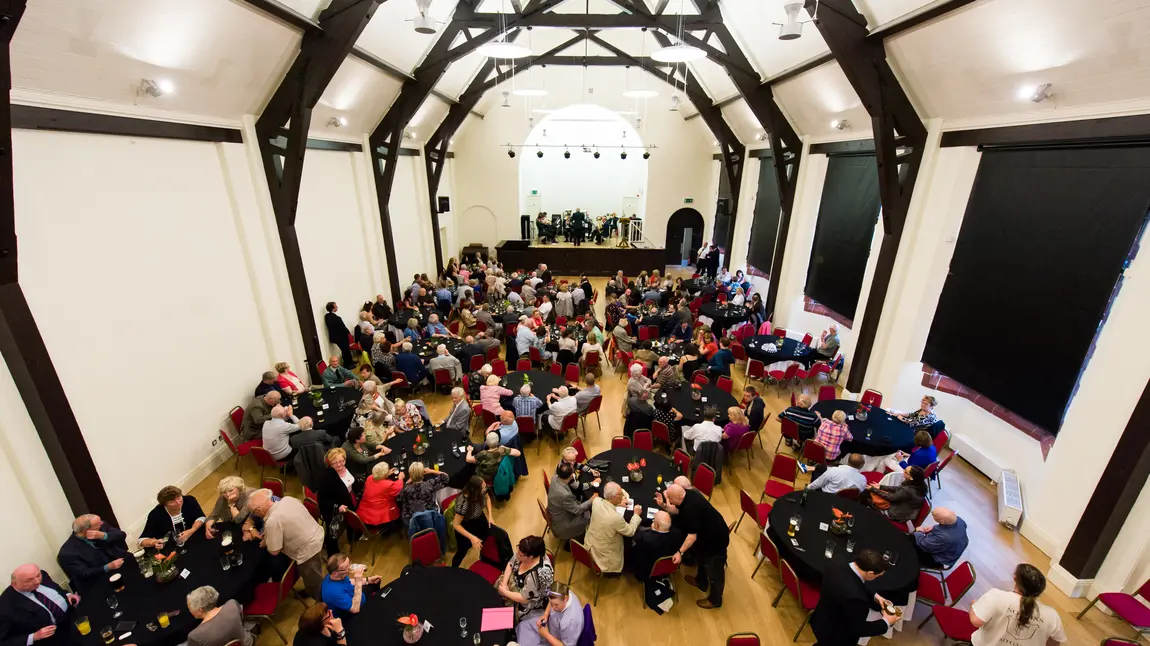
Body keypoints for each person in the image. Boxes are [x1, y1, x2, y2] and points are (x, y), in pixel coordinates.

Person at [657, 483, 729, 609]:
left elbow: (692, 537)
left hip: (715, 541)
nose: (669, 500)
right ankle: (701, 581)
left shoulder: (691, 508)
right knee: (702, 559)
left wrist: (680, 552)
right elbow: (678, 510)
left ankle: (715, 600)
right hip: (705, 538)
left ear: (678, 498)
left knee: (715, 571)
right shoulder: (689, 494)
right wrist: (664, 505)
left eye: (670, 498)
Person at [809, 549, 900, 645]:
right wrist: (886, 622)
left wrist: (875, 596)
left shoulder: (838, 560)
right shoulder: (856, 598)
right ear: (870, 573)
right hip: (836, 636)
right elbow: (858, 628)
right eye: (878, 576)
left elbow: (853, 581)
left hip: (822, 618)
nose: (877, 578)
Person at [247, 489, 325, 599]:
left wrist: (266, 543)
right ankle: (314, 589)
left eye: (254, 512)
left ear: (259, 510)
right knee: (314, 573)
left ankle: (321, 601)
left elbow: (274, 551)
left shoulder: (272, 521)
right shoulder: (288, 499)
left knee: (313, 578)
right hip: (316, 533)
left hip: (308, 550)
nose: (255, 515)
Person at [969, 564, 1066, 646]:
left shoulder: (996, 596)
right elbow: (1054, 643)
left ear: (1015, 578)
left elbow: (976, 621)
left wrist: (974, 605)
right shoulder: (1052, 616)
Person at [1, 564, 81, 646]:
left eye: (38, 575)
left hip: (73, 613)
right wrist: (33, 637)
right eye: (29, 580)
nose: (37, 581)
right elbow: (3, 642)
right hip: (54, 637)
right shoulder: (5, 607)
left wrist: (67, 594)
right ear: (14, 584)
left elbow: (55, 588)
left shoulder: (42, 575)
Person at [56, 515, 128, 590]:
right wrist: (107, 567)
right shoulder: (67, 553)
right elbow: (84, 574)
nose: (101, 523)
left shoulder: (101, 525)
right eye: (97, 525)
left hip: (119, 561)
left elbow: (122, 535)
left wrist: (104, 535)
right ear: (86, 532)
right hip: (99, 580)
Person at [586, 482, 642, 574]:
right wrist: (636, 514)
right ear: (613, 497)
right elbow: (630, 531)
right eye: (621, 494)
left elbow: (605, 503)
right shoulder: (616, 518)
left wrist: (617, 503)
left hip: (591, 543)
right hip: (603, 556)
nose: (623, 495)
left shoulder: (596, 501)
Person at [498, 536, 555, 622]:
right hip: (513, 587)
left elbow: (524, 599)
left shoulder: (538, 574)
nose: (517, 554)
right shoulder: (524, 552)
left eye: (520, 555)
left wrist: (505, 592)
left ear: (531, 557)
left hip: (526, 603)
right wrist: (505, 584)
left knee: (502, 619)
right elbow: (510, 564)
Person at [514, 582, 583, 646]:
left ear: (565, 599)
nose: (553, 608)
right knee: (523, 626)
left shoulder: (571, 621)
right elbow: (551, 602)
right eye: (551, 604)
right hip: (550, 627)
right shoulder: (563, 592)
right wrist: (546, 615)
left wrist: (546, 635)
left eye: (556, 605)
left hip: (556, 640)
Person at [451, 477, 495, 567]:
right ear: (474, 490)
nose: (485, 489)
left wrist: (490, 515)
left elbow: (487, 498)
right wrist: (471, 537)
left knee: (486, 540)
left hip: (479, 519)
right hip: (466, 525)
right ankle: (453, 569)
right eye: (482, 488)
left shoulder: (481, 490)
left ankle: (484, 559)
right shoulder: (463, 502)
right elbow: (456, 524)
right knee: (462, 551)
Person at [140, 485, 206, 546]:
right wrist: (154, 542)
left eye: (179, 497)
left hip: (195, 536)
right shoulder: (155, 515)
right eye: (172, 501)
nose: (178, 502)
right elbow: (142, 540)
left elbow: (201, 517)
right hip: (172, 546)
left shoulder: (189, 500)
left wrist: (191, 530)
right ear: (164, 504)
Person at [186, 585, 252, 646]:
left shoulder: (194, 635)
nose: (189, 611)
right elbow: (241, 620)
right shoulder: (232, 604)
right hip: (247, 643)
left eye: (190, 608)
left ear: (200, 610)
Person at [548, 463, 596, 543]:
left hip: (558, 512)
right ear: (571, 476)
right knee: (593, 519)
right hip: (565, 524)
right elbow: (577, 510)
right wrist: (592, 499)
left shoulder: (555, 477)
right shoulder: (564, 495)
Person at [630, 510, 684, 580]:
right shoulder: (678, 535)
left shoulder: (645, 539)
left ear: (656, 524)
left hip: (646, 572)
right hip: (667, 569)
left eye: (653, 520)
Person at [396, 462, 448, 531]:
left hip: (411, 518)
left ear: (410, 475)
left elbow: (398, 499)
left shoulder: (406, 489)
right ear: (423, 474)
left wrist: (406, 483)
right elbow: (446, 477)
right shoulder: (430, 484)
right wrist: (431, 471)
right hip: (430, 514)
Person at [356, 462, 403, 531]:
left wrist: (387, 474)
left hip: (364, 513)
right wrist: (400, 478)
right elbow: (398, 488)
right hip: (378, 517)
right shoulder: (387, 485)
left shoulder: (369, 478)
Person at [325, 302, 353, 366]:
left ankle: (350, 361)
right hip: (341, 337)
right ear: (332, 308)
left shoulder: (327, 316)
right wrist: (348, 333)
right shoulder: (337, 318)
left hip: (335, 337)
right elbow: (342, 327)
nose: (337, 307)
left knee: (345, 350)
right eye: (335, 306)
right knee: (346, 350)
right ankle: (348, 364)